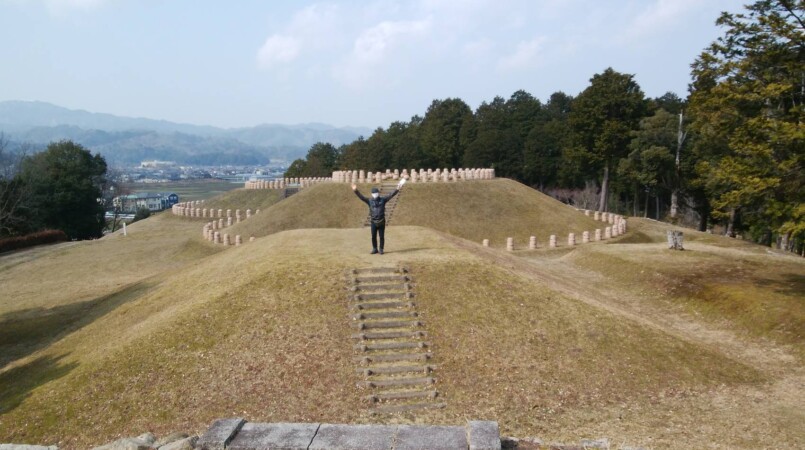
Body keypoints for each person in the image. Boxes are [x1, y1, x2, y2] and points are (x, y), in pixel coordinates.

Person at [352, 178, 405, 254]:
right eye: (373, 193)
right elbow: (362, 197)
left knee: (381, 236)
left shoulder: (383, 200)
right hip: (373, 221)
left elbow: (391, 195)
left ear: (378, 193)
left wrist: (397, 189)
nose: (375, 194)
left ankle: (381, 249)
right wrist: (355, 190)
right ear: (372, 194)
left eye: (376, 192)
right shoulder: (369, 201)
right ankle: (374, 248)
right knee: (373, 236)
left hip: (381, 221)